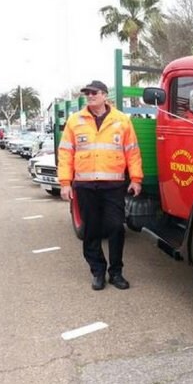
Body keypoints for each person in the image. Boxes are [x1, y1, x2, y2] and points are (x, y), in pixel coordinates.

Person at [57, 80, 143, 291]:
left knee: (115, 228)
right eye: (87, 93)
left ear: (105, 96)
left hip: (113, 185)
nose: (90, 95)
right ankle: (97, 271)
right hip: (85, 186)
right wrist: (65, 183)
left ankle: (116, 272)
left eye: (94, 92)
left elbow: (132, 151)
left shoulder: (121, 120)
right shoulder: (75, 121)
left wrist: (136, 179)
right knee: (91, 231)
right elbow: (66, 153)